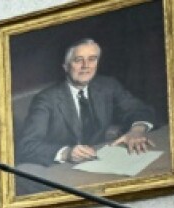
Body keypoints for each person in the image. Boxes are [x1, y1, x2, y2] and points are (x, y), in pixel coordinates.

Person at [16, 38, 155, 167]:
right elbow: (26, 146)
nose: (86, 66)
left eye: (92, 59)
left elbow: (140, 109)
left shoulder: (108, 86)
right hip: (63, 170)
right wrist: (67, 153)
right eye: (78, 60)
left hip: (104, 160)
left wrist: (136, 131)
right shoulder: (46, 99)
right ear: (65, 66)